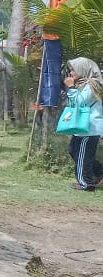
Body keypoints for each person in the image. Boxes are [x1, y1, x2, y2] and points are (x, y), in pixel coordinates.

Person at [62, 57, 103, 191]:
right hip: (81, 127)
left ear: (82, 70)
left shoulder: (92, 85)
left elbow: (80, 102)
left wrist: (71, 87)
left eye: (73, 70)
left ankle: (86, 183)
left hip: (89, 128)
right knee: (74, 151)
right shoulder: (82, 83)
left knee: (83, 157)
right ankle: (100, 173)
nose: (71, 73)